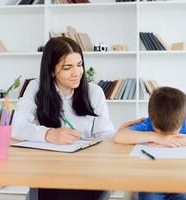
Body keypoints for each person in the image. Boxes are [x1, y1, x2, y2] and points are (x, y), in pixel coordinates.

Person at [12, 37, 114, 200]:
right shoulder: (36, 88)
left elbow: (105, 134)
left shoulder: (94, 92)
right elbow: (16, 126)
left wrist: (123, 136)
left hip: (88, 175)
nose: (76, 73)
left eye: (79, 65)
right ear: (52, 70)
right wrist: (49, 134)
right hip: (48, 175)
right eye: (67, 67)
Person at [113, 86, 186, 200]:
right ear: (151, 118)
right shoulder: (148, 123)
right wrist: (157, 137)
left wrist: (180, 139)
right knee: (149, 197)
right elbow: (119, 136)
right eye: (160, 132)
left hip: (183, 179)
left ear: (184, 118)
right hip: (152, 179)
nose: (167, 137)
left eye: (173, 133)